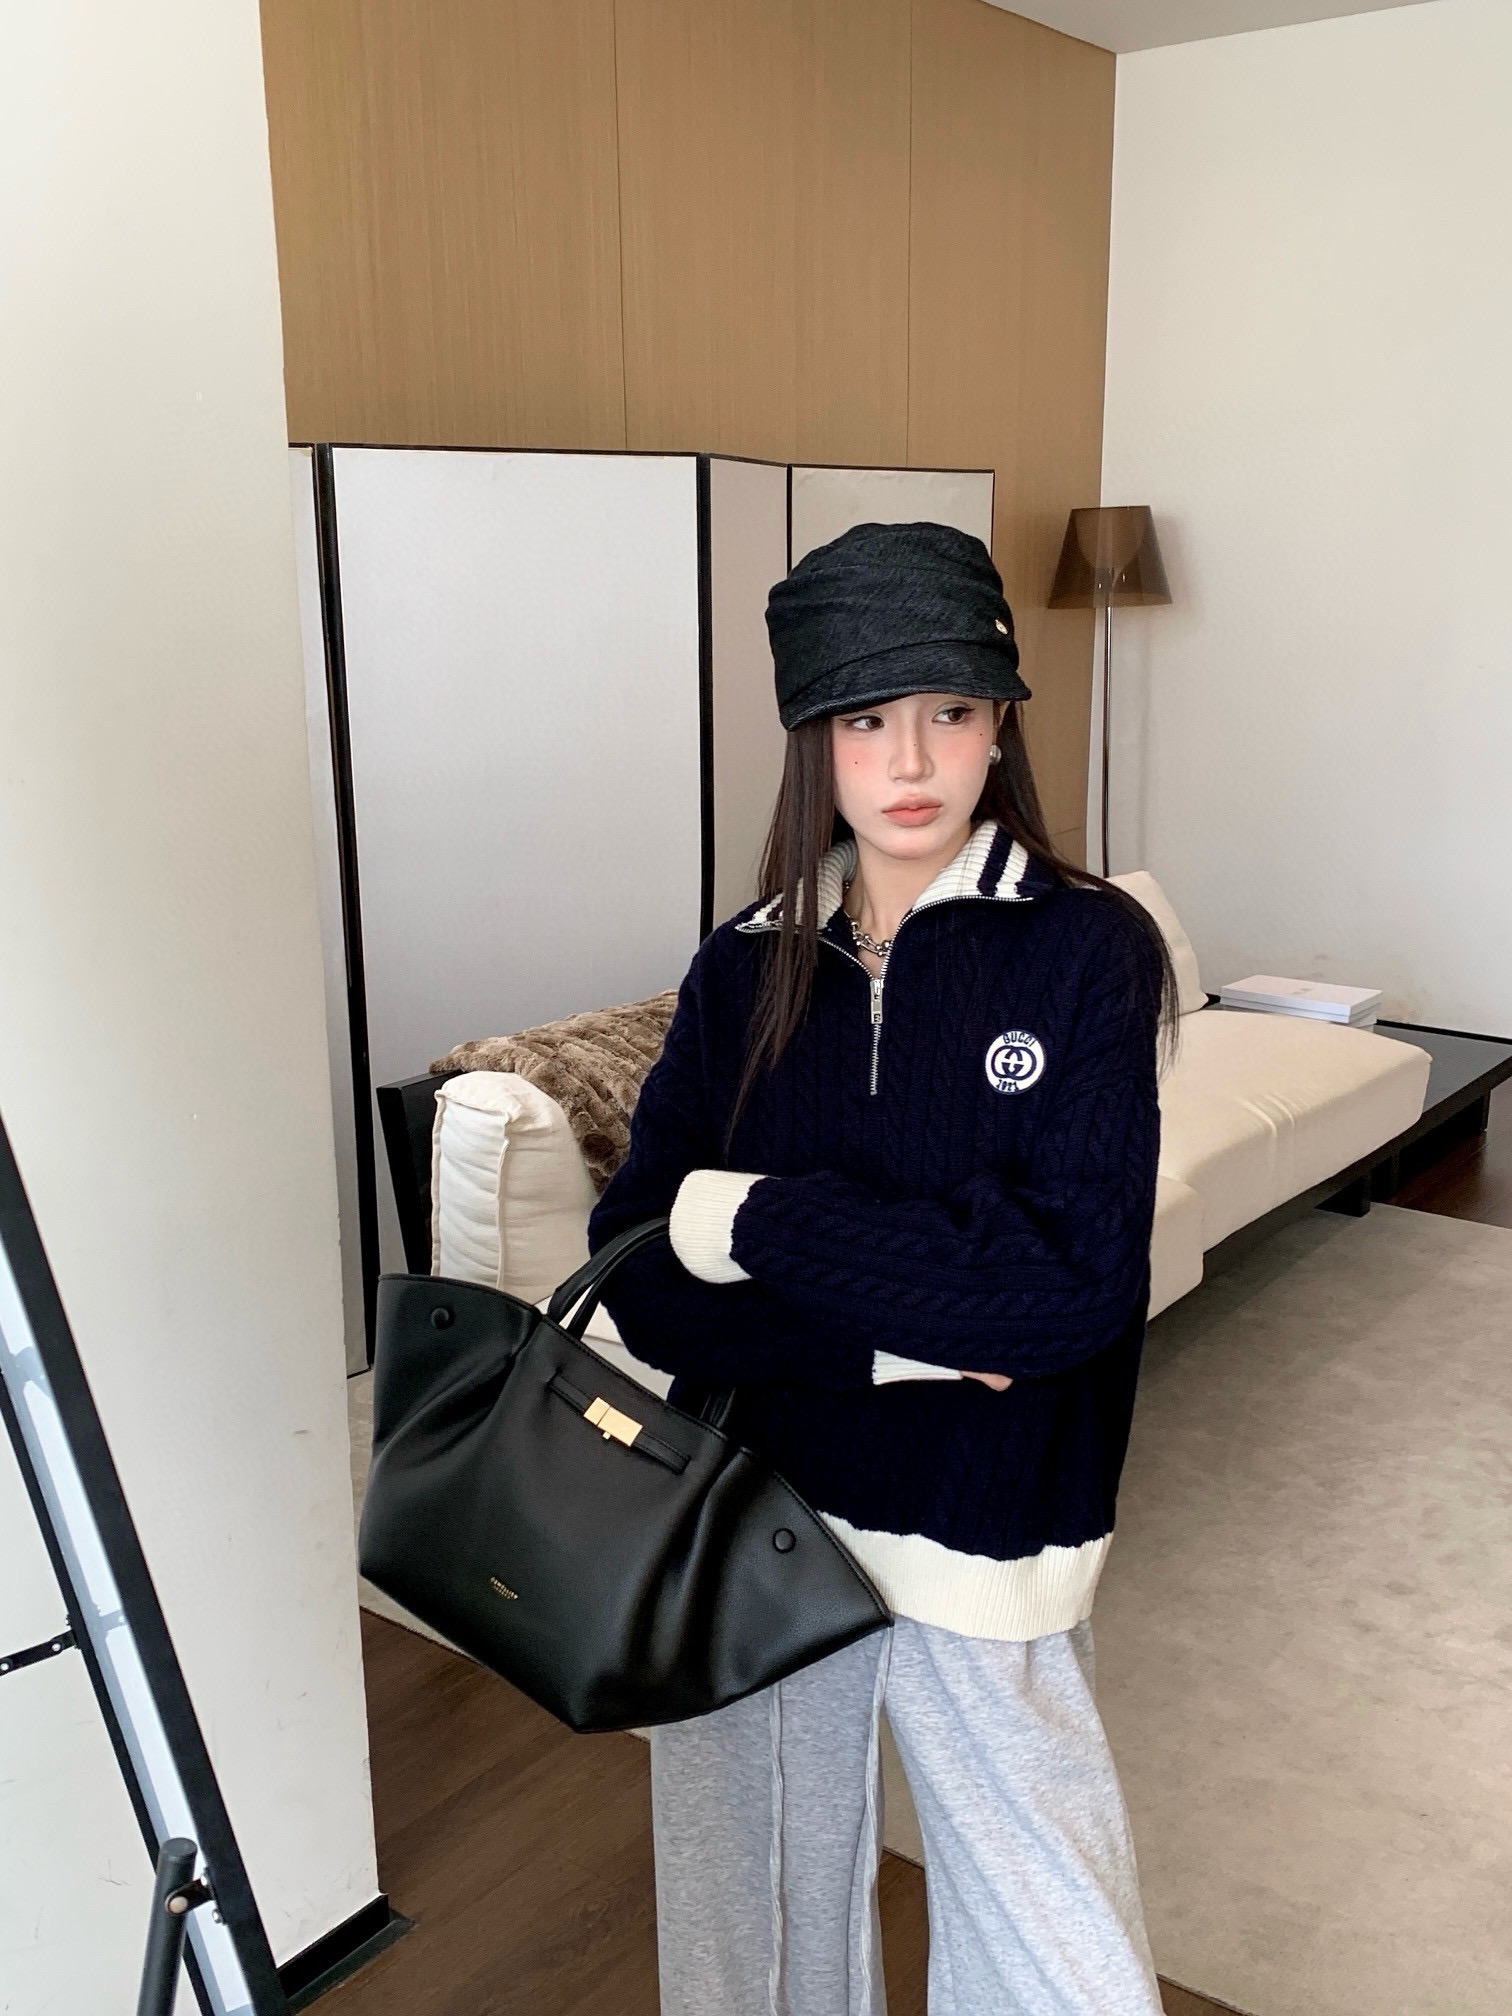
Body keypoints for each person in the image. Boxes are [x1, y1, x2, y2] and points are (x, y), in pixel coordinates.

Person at [586, 519, 1180, 2016]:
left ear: (1000, 724)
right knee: (749, 1939)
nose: (911, 760)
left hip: (986, 1513)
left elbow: (1066, 1291)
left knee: (1055, 1955)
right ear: (814, 740)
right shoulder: (742, 963)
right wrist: (903, 1333)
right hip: (751, 1505)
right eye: (865, 719)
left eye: (950, 711)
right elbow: (642, 1273)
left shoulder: (1088, 948)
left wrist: (750, 1222)